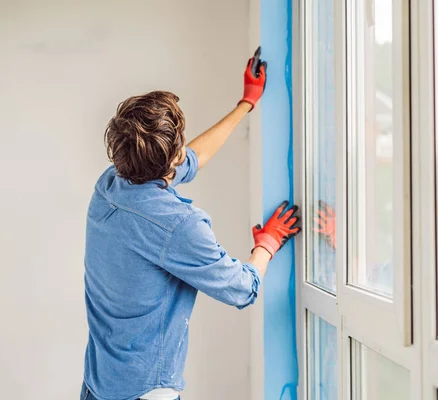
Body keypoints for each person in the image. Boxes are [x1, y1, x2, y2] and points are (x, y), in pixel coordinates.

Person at [80, 49, 301, 400]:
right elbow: (243, 288)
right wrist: (268, 243)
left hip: (98, 385)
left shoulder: (111, 184)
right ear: (174, 157)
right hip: (144, 393)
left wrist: (246, 103)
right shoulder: (179, 226)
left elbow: (194, 158)